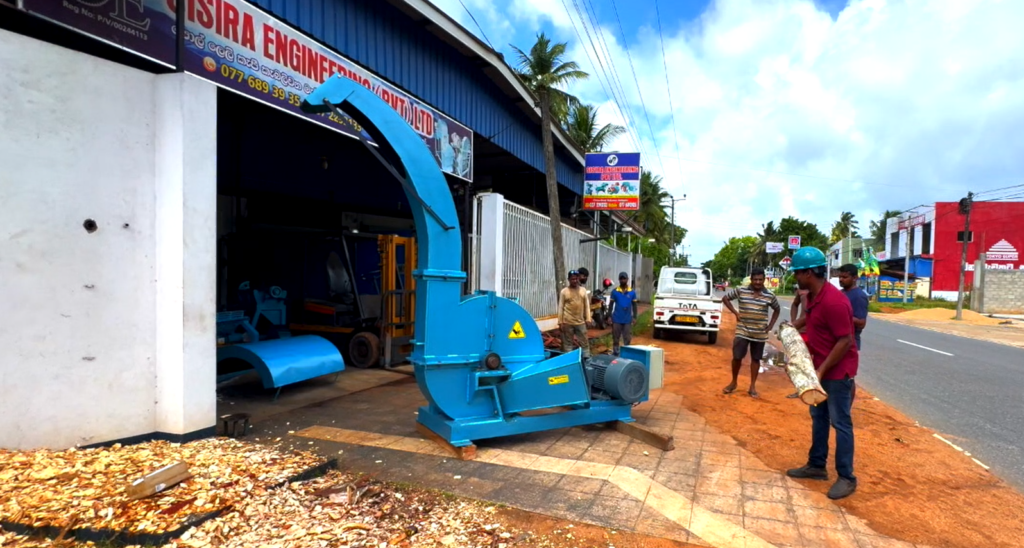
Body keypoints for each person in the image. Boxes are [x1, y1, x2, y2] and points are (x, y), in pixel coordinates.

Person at [784, 247, 859, 500]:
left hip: (837, 373)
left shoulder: (834, 301)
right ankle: (816, 466)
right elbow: (810, 320)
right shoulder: (815, 297)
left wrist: (820, 370)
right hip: (820, 369)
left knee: (841, 423)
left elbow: (846, 340)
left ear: (808, 272)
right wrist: (789, 329)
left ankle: (847, 478)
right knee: (818, 417)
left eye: (797, 273)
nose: (795, 277)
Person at [722, 268, 781, 398]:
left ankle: (752, 386)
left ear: (764, 280)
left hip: (759, 332)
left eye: (760, 280)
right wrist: (735, 313)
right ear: (751, 279)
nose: (758, 282)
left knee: (756, 359)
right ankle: (733, 382)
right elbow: (725, 298)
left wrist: (770, 325)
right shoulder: (741, 290)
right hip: (742, 330)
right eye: (755, 279)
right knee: (737, 357)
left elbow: (777, 309)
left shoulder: (769, 295)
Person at [559, 270, 593, 358]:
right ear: (569, 280)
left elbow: (586, 306)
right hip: (568, 322)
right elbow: (561, 307)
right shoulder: (564, 292)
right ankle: (569, 361)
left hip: (580, 322)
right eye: (572, 279)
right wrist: (560, 322)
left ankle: (586, 359)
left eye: (576, 279)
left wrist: (588, 319)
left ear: (578, 279)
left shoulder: (583, 290)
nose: (574, 281)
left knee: (584, 342)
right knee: (568, 344)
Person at [837, 264, 869, 350]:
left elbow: (861, 323)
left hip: (850, 343)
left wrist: (839, 316)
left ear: (854, 278)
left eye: (844, 277)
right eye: (839, 277)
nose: (841, 280)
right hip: (837, 341)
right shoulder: (840, 292)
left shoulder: (858, 296)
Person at [608, 272, 638, 356]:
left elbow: (634, 306)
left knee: (627, 338)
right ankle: (615, 353)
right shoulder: (615, 292)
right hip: (617, 318)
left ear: (627, 279)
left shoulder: (632, 292)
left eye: (624, 278)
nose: (623, 280)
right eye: (621, 279)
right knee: (615, 337)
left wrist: (635, 317)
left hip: (627, 319)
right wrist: (609, 316)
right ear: (619, 280)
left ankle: (627, 353)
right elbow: (611, 305)